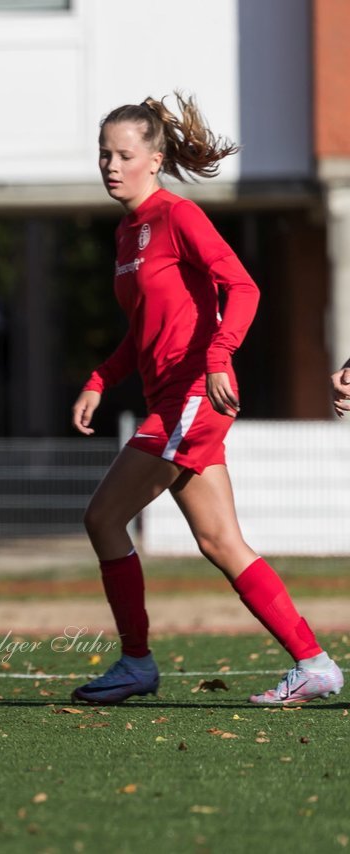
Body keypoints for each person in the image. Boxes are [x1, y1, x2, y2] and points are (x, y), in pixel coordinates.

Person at [70, 93, 343, 706]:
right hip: (175, 396)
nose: (111, 166)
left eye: (123, 155)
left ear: (156, 158)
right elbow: (144, 330)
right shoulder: (127, 232)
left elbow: (242, 286)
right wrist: (99, 377)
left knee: (103, 517)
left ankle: (137, 660)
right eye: (103, 154)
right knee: (221, 543)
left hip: (195, 396)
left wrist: (219, 354)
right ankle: (314, 663)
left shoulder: (178, 216)